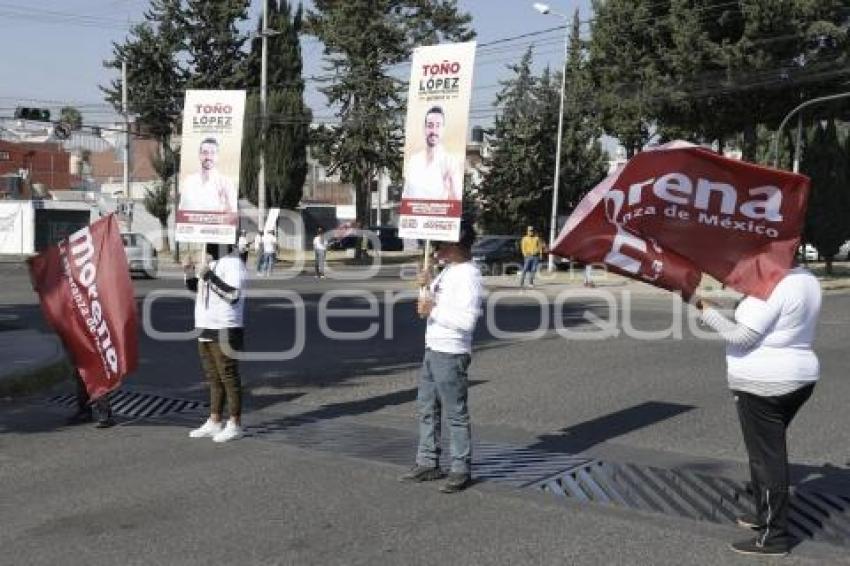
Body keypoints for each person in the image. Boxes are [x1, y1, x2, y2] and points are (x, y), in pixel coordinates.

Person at [696, 265, 821, 556]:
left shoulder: (771, 283)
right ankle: (764, 517)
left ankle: (774, 537)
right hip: (799, 377)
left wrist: (701, 306)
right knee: (765, 452)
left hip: (763, 383)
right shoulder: (806, 277)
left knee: (767, 459)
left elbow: (742, 336)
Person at [400, 218, 484, 493]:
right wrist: (427, 282)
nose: (436, 249)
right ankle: (428, 461)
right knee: (426, 406)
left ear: (457, 246)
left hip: (451, 351)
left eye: (441, 244)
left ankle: (460, 467)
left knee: (455, 413)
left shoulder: (469, 276)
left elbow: (467, 321)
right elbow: (432, 297)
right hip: (433, 347)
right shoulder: (448, 271)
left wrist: (432, 310)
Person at [184, 243, 247, 443]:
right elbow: (199, 287)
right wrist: (189, 271)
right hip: (205, 324)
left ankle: (235, 423)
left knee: (228, 375)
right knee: (213, 377)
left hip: (225, 326)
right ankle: (214, 420)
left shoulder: (234, 264)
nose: (206, 243)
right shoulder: (211, 262)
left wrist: (209, 276)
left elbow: (233, 295)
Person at [402, 105, 462, 201]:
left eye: (438, 126)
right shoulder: (414, 160)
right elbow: (406, 195)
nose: (434, 131)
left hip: (438, 215)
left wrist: (449, 187)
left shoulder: (450, 162)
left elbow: (456, 201)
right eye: (430, 126)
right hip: (415, 215)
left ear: (443, 129)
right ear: (424, 128)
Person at [178, 138, 237, 213]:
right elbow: (182, 211)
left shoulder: (226, 183)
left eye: (212, 153)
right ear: (199, 155)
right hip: (193, 224)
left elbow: (232, 214)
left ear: (217, 156)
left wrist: (225, 206)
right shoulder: (189, 181)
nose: (208, 157)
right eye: (205, 152)